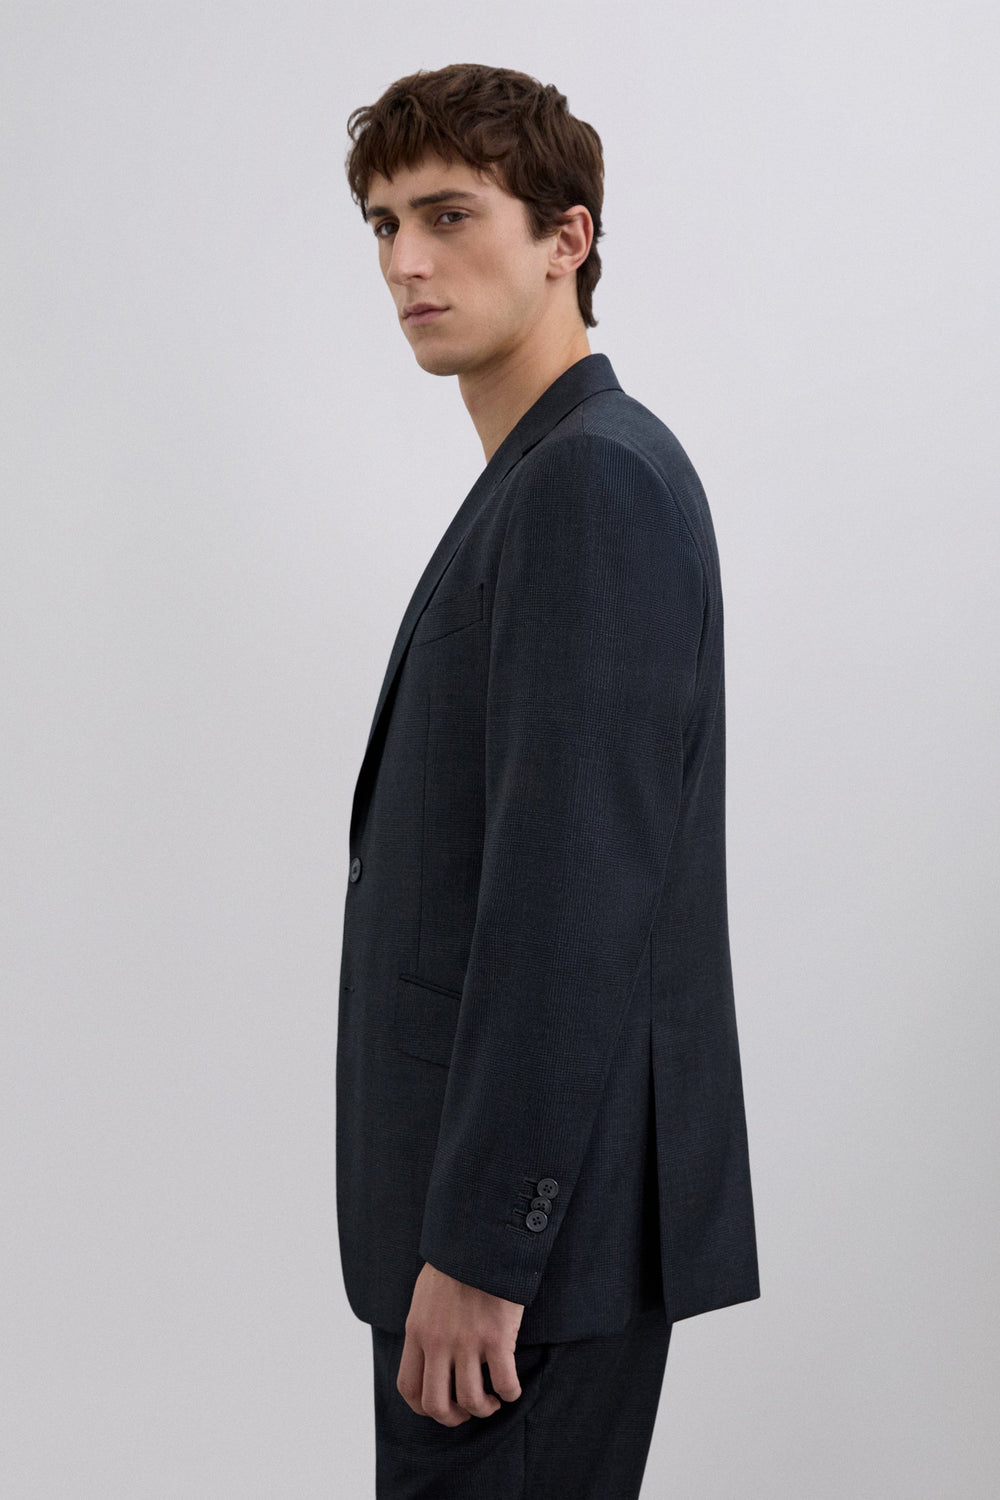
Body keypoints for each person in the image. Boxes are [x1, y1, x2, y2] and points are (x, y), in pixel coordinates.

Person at [337, 63, 760, 1498]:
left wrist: (484, 1251)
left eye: (449, 215)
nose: (406, 262)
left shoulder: (592, 483)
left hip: (524, 1266)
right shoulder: (543, 477)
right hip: (506, 1245)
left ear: (565, 239)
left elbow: (571, 898)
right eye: (384, 224)